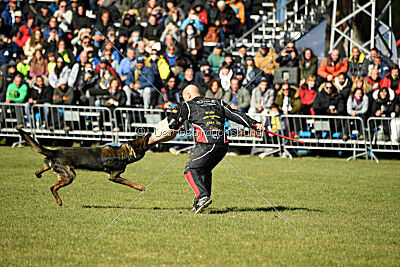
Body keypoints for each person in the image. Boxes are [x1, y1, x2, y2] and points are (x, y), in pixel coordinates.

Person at [166, 84, 265, 213]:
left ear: (188, 96)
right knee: (205, 170)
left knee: (190, 170)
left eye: (184, 98)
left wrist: (172, 121)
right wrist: (254, 124)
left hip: (207, 143)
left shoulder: (187, 105)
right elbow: (235, 114)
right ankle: (198, 203)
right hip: (223, 145)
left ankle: (202, 197)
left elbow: (173, 124)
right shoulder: (218, 102)